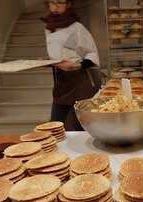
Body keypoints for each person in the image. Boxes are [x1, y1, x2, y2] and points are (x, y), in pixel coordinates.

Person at [42, 0, 101, 130]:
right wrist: (49, 62)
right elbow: (57, 53)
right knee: (56, 124)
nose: (56, 6)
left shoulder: (76, 27)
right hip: (61, 80)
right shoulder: (49, 27)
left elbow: (91, 54)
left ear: (68, 4)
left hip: (79, 80)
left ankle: (85, 150)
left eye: (60, 2)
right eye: (53, 2)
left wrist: (78, 65)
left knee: (82, 124)